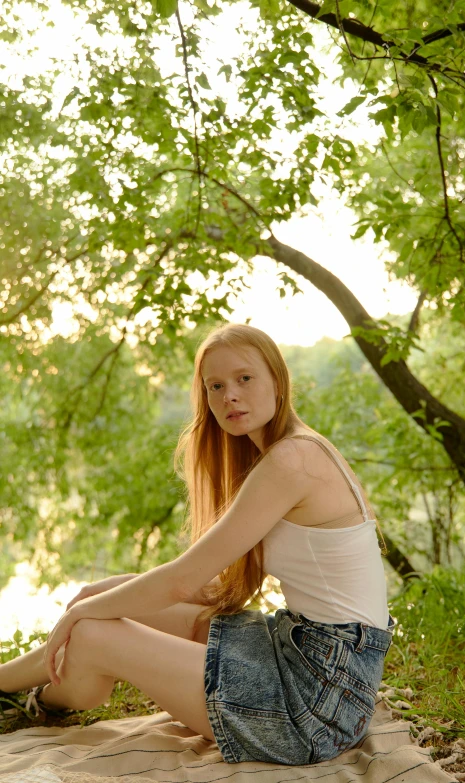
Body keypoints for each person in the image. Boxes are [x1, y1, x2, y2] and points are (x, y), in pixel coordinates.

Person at [0, 323, 394, 765]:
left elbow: (182, 579)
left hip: (318, 704)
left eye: (245, 378)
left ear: (278, 381)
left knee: (91, 632)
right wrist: (112, 591)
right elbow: (214, 588)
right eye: (216, 386)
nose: (230, 396)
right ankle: (11, 687)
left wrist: (81, 611)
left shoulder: (293, 459)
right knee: (111, 604)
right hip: (308, 660)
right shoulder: (287, 452)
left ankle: (32, 698)